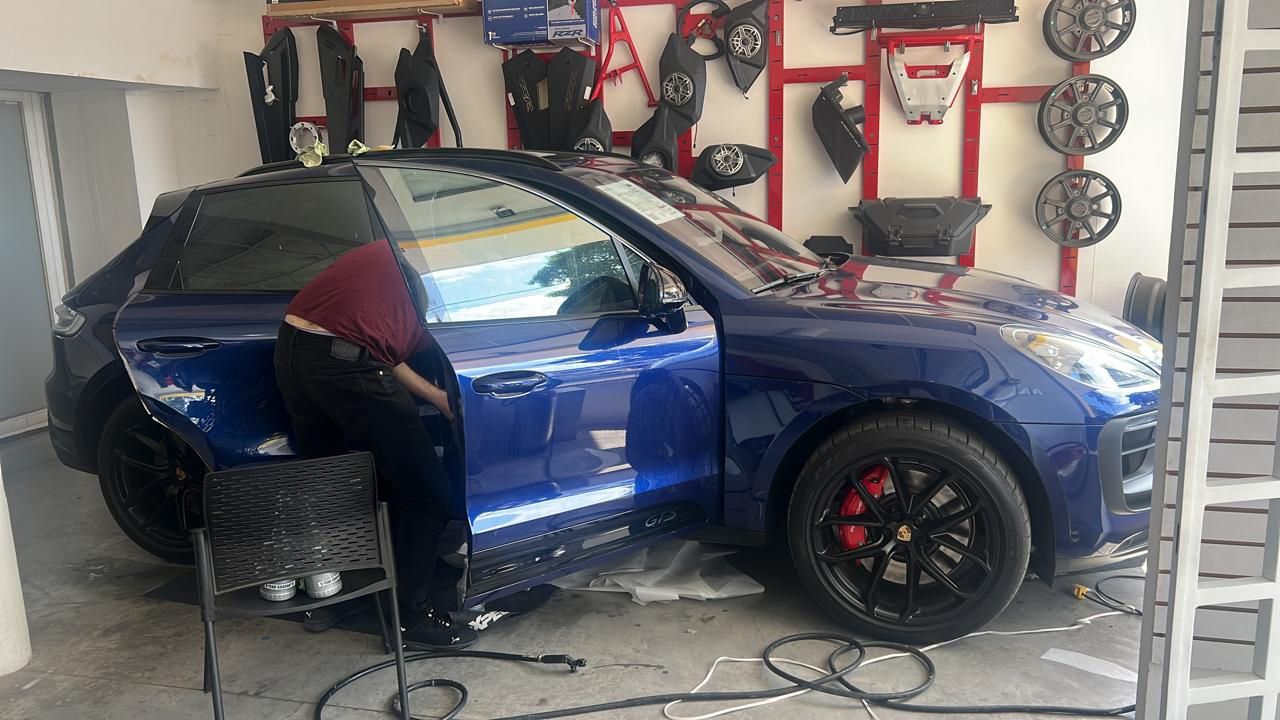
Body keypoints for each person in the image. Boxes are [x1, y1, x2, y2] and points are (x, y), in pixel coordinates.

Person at [273, 239, 476, 649]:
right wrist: (441, 396)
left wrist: (434, 397)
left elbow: (377, 345)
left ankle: (336, 596)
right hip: (345, 363)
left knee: (337, 483)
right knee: (427, 493)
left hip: (292, 349)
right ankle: (409, 618)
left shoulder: (391, 252)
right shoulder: (448, 282)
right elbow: (371, 350)